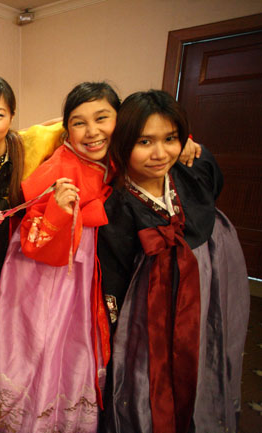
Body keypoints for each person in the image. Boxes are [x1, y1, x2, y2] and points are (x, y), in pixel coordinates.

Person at [97, 90, 249, 433]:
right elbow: (115, 276)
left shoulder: (196, 170)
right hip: (149, 314)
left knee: (207, 357)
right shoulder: (116, 206)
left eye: (170, 139)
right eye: (145, 142)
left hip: (205, 291)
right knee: (150, 385)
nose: (160, 153)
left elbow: (214, 189)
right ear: (123, 144)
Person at [0, 82, 120, 433]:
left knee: (74, 352)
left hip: (82, 274)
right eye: (79, 123)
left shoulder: (114, 159)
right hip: (46, 276)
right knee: (45, 348)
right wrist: (59, 211)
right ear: (67, 128)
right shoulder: (59, 166)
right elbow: (31, 240)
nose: (92, 131)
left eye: (102, 118)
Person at [0, 76, 63, 402]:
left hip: (27, 252)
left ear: (12, 116)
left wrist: (185, 140)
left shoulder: (31, 142)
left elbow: (81, 123)